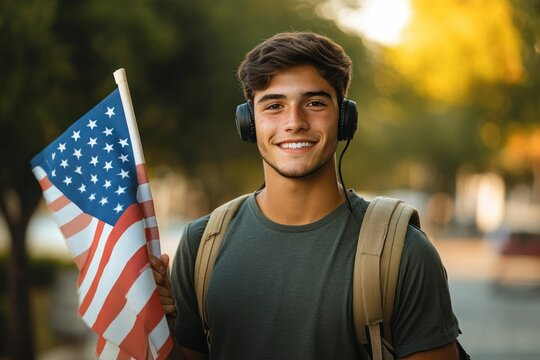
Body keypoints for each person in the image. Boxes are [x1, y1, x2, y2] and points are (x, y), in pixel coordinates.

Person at [151, 31, 463, 360]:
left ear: (345, 119)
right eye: (274, 105)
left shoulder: (404, 253)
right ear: (249, 122)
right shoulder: (201, 245)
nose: (294, 122)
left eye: (314, 103)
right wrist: (159, 325)